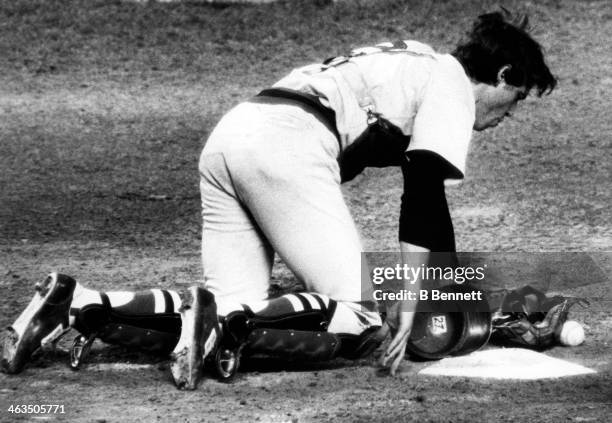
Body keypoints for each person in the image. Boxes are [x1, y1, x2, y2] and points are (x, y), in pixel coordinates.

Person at [1, 11, 556, 389]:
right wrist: (420, 299)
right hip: (285, 146)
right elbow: (426, 196)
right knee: (362, 317)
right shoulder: (452, 81)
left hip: (233, 138)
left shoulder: (413, 61)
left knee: (227, 305)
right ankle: (238, 316)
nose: (507, 117)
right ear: (502, 74)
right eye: (516, 100)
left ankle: (77, 303)